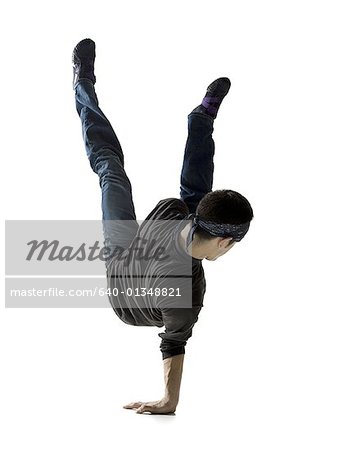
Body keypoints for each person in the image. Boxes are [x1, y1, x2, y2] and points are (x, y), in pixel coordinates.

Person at [72, 38, 254, 415]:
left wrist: (169, 401)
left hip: (130, 276)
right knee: (129, 179)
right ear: (224, 242)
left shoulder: (178, 221)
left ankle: (82, 83)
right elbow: (173, 343)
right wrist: (169, 402)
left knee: (113, 173)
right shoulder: (187, 288)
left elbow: (172, 342)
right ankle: (199, 119)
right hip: (127, 266)